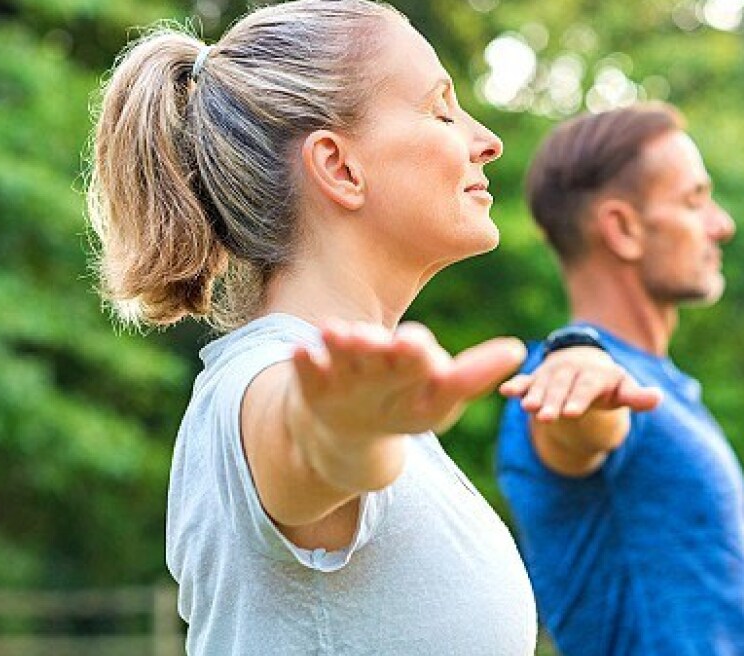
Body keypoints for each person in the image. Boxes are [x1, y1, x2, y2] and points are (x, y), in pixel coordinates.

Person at [85, 1, 537, 653]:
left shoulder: (365, 403)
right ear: (339, 167)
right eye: (442, 109)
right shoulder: (266, 383)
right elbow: (301, 442)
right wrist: (342, 430)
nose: (485, 140)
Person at [496, 103, 744, 655]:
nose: (722, 224)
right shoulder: (563, 380)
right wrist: (581, 369)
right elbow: (584, 425)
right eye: (695, 201)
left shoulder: (662, 384)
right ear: (623, 229)